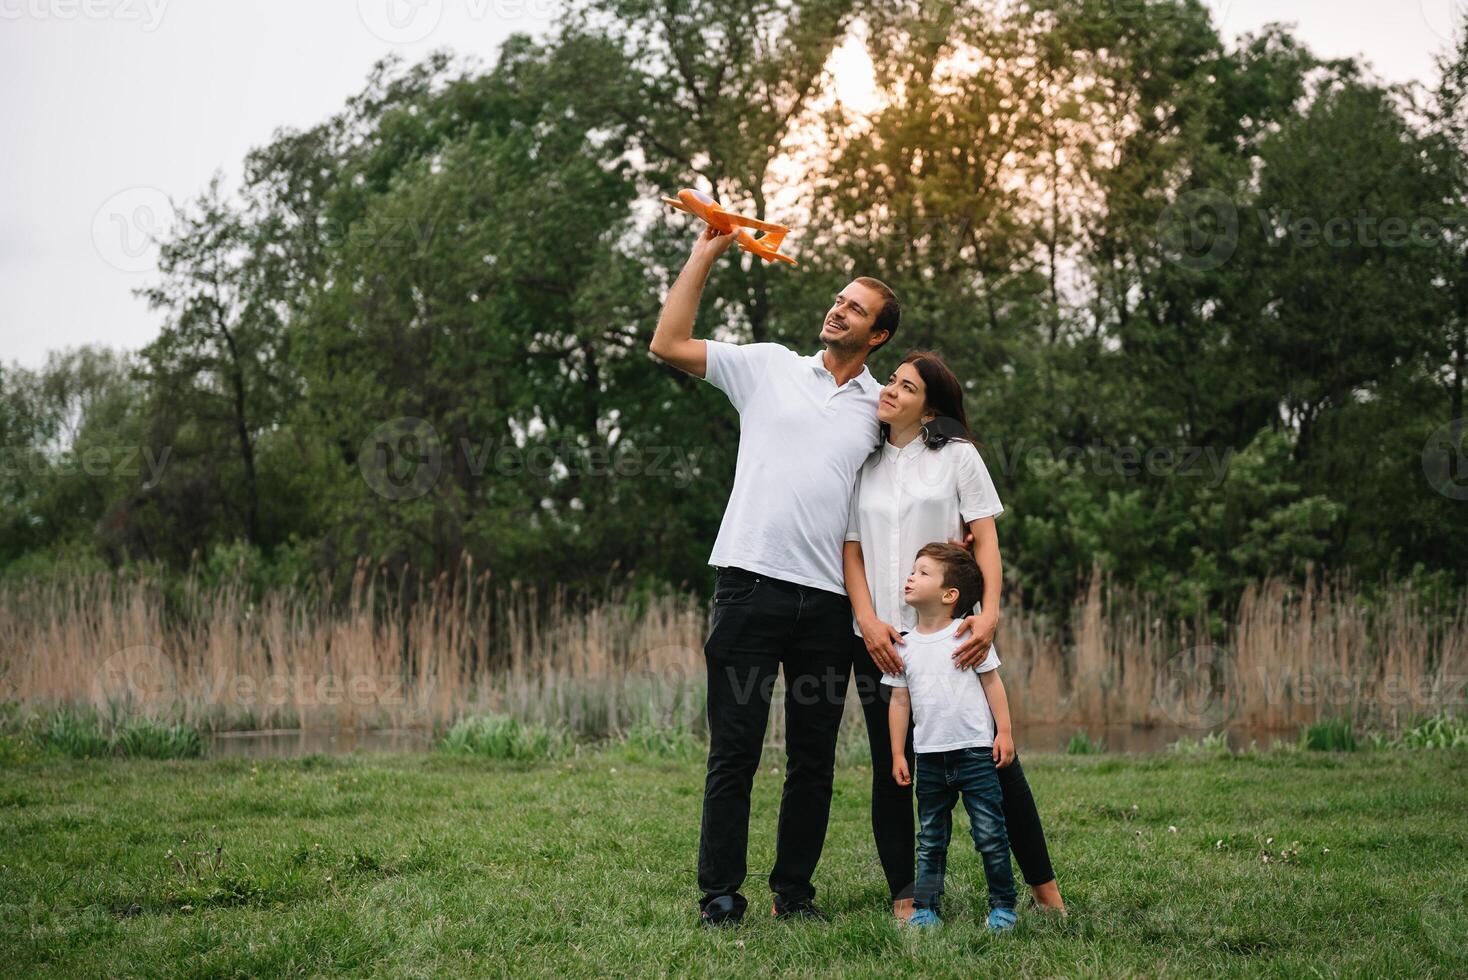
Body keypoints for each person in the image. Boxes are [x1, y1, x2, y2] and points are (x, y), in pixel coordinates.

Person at [648, 224, 902, 927]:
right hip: (750, 588)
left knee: (813, 761)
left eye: (855, 309)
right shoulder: (768, 366)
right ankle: (721, 897)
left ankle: (795, 894)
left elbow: (907, 497)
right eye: (838, 300)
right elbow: (667, 343)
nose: (838, 310)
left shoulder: (879, 411)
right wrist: (704, 254)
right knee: (734, 752)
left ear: (877, 335)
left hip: (827, 608)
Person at [844, 349, 1066, 921]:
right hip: (882, 640)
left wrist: (988, 616)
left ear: (929, 408)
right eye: (890, 380)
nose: (890, 390)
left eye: (907, 386)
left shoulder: (958, 458)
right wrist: (867, 619)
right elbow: (851, 549)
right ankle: (906, 899)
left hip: (954, 637)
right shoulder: (860, 460)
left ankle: (1045, 894)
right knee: (893, 767)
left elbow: (985, 540)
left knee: (996, 762)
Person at [884, 543, 1018, 931]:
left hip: (975, 753)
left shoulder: (967, 635)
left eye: (923, 572)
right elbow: (899, 701)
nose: (912, 576)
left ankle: (1003, 906)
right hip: (928, 757)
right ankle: (925, 908)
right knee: (930, 839)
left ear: (949, 595)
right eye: (913, 570)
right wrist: (898, 753)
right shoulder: (903, 644)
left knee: (990, 833)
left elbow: (993, 683)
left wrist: (1004, 732)